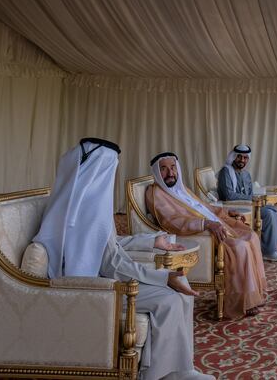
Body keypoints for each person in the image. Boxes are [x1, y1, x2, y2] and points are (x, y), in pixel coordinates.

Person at [33, 138, 212, 380]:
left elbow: (106, 245)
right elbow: (111, 262)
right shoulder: (88, 210)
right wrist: (164, 277)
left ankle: (181, 369)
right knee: (169, 300)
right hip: (89, 291)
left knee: (181, 290)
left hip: (101, 282)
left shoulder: (74, 203)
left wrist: (151, 242)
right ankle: (160, 375)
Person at [146, 152, 267, 321]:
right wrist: (205, 224)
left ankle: (254, 293)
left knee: (252, 236)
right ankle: (242, 300)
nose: (170, 173)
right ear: (157, 172)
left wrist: (225, 212)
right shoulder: (155, 193)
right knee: (240, 247)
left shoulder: (181, 188)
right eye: (164, 169)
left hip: (217, 224)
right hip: (201, 232)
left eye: (173, 168)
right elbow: (171, 221)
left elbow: (203, 206)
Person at [217, 144, 277, 262]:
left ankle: (273, 246)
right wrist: (251, 199)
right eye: (239, 157)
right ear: (233, 157)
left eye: (245, 158)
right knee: (268, 214)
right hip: (235, 206)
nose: (242, 160)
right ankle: (267, 252)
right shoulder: (226, 172)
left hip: (249, 204)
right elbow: (228, 195)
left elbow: (250, 193)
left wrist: (255, 198)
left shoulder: (246, 174)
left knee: (274, 209)